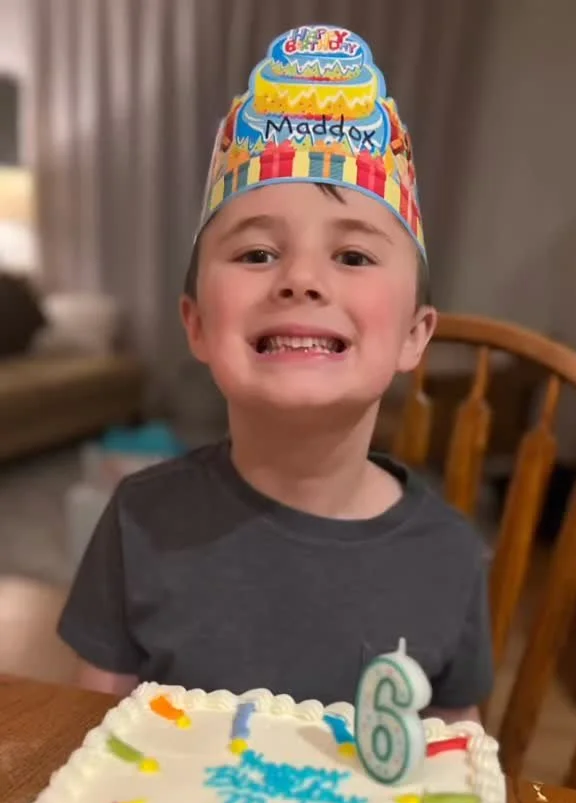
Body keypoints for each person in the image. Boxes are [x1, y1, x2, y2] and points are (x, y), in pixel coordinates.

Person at [58, 25, 493, 721]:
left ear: (415, 335)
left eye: (353, 257)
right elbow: (87, 735)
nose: (301, 278)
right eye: (257, 254)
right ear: (197, 323)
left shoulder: (449, 557)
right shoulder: (138, 521)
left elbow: (456, 762)